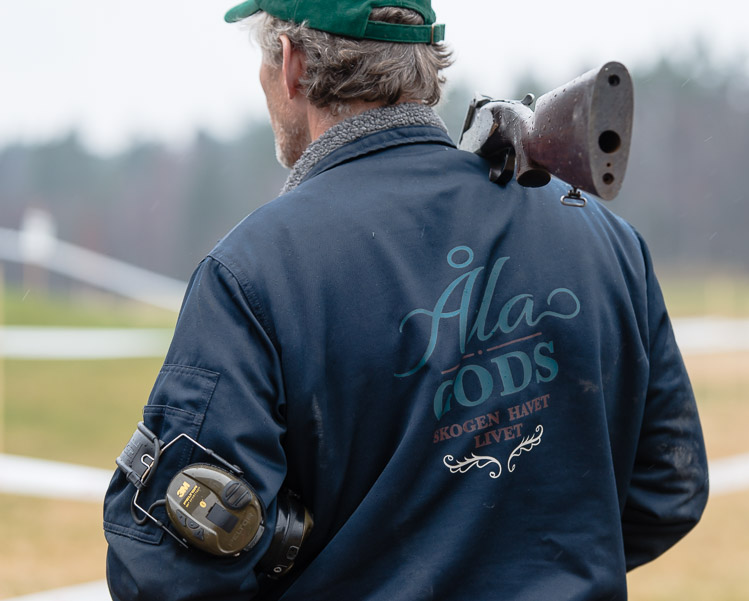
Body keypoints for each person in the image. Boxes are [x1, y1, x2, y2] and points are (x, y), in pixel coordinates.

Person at [103, 1, 709, 599]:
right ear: (424, 58)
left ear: (290, 64)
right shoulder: (605, 237)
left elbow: (167, 574)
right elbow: (669, 487)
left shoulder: (253, 271)